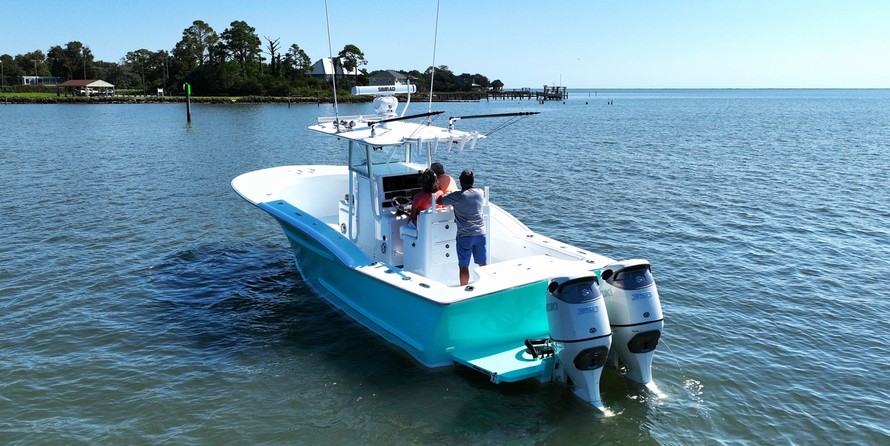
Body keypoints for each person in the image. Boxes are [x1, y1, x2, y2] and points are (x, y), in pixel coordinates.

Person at [436, 169, 487, 286]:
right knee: (483, 265)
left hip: (465, 236)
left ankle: (464, 288)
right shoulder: (480, 192)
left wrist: (446, 194)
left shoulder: (458, 196)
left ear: (461, 181)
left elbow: (440, 200)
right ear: (473, 181)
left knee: (464, 266)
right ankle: (487, 287)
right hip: (480, 234)